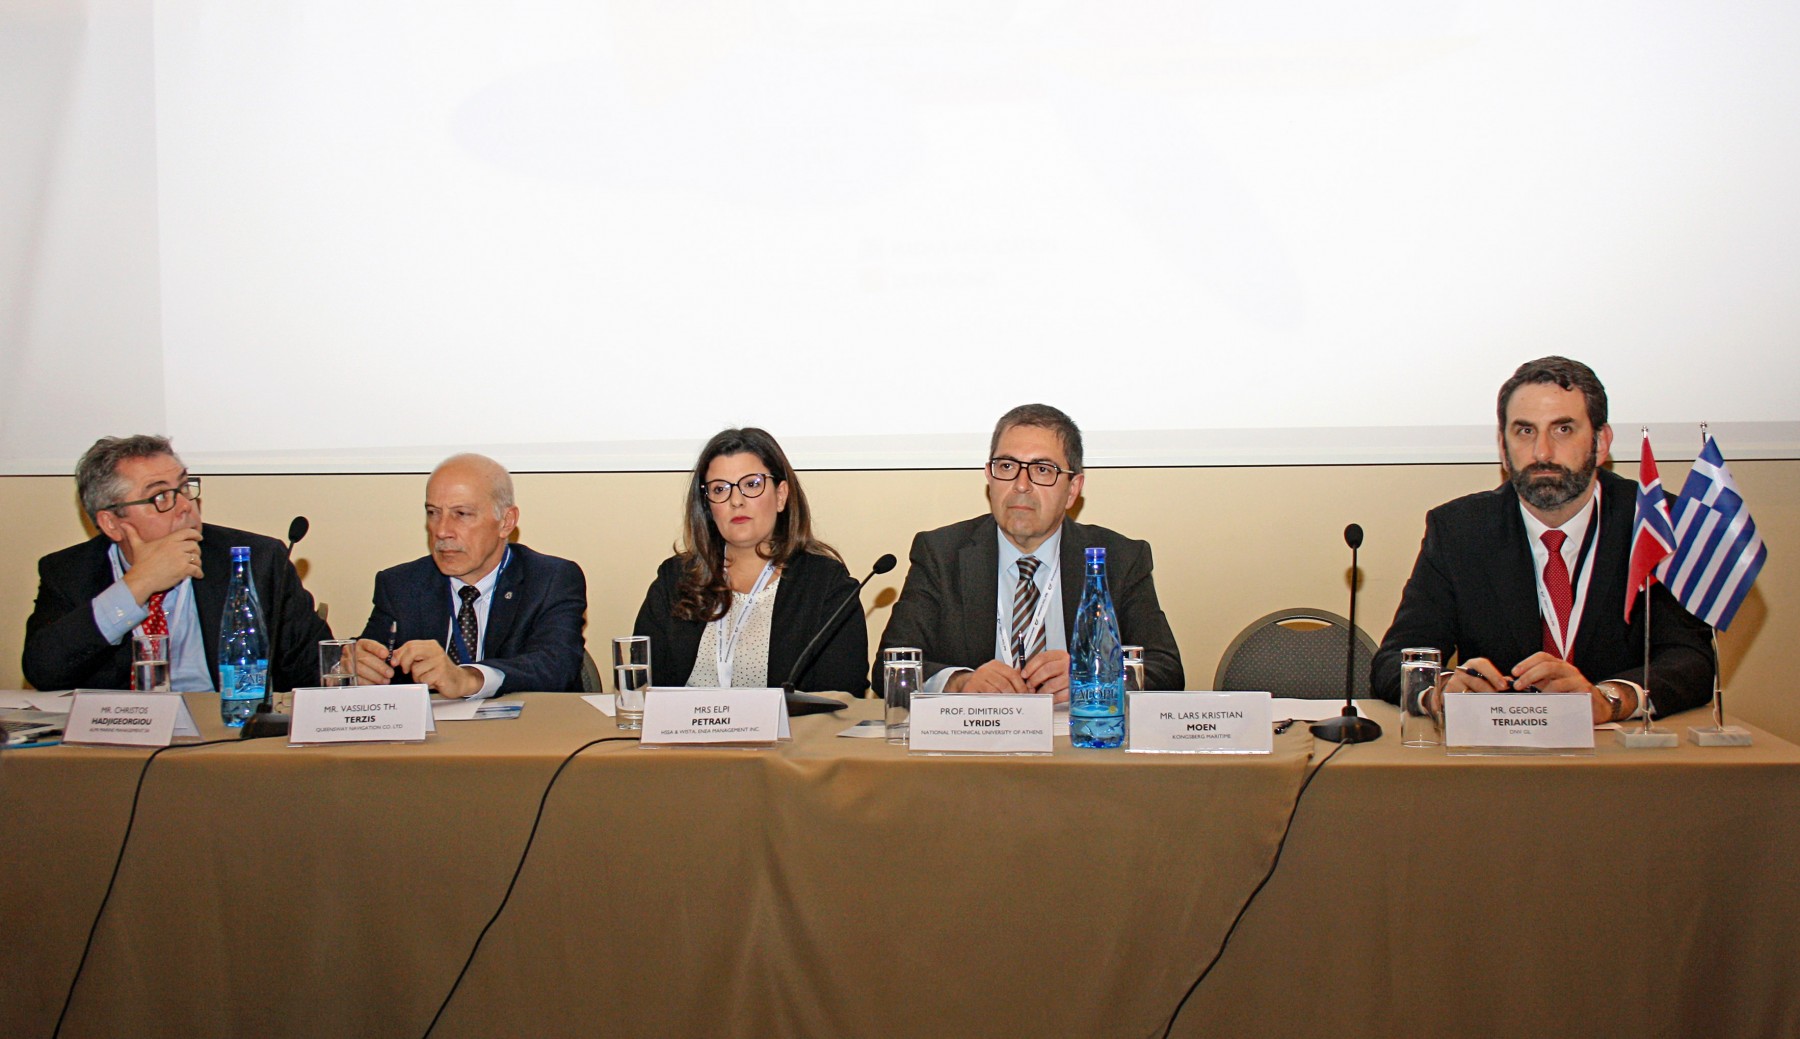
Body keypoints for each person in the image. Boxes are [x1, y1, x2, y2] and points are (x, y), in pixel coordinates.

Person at [1372, 356, 1715, 723]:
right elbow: (1395, 660)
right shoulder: (1460, 530)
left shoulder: (1655, 523)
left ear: (1601, 442)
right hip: (1498, 757)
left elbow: (1690, 659)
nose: (1542, 453)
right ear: (1503, 449)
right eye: (1525, 431)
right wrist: (1440, 690)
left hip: (1620, 756)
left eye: (1563, 430)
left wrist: (1610, 699)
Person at [875, 404, 1183, 700]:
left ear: (1073, 489)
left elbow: (1167, 670)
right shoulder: (941, 554)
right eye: (1007, 466)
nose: (1021, 485)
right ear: (989, 477)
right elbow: (889, 669)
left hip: (1080, 741)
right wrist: (959, 682)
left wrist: (1095, 674)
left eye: (1042, 469)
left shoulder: (1118, 558)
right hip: (975, 741)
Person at [23, 435, 332, 692]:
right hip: (119, 742)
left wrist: (347, 662)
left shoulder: (256, 559)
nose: (185, 506)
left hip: (226, 734)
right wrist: (137, 585)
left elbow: (311, 671)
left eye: (184, 487)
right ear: (112, 523)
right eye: (160, 497)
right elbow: (44, 672)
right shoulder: (68, 572)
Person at [633, 428, 869, 695]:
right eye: (720, 489)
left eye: (752, 485)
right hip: (685, 734)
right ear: (708, 506)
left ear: (780, 496)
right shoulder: (675, 579)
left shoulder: (826, 585)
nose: (736, 500)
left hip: (789, 735)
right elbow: (642, 682)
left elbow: (843, 693)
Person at [354, 454, 587, 698]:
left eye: (461, 514)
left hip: (523, 731)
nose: (442, 531)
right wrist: (355, 667)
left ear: (506, 522)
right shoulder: (400, 585)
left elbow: (556, 667)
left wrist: (469, 678)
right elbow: (373, 655)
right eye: (433, 513)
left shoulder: (551, 579)